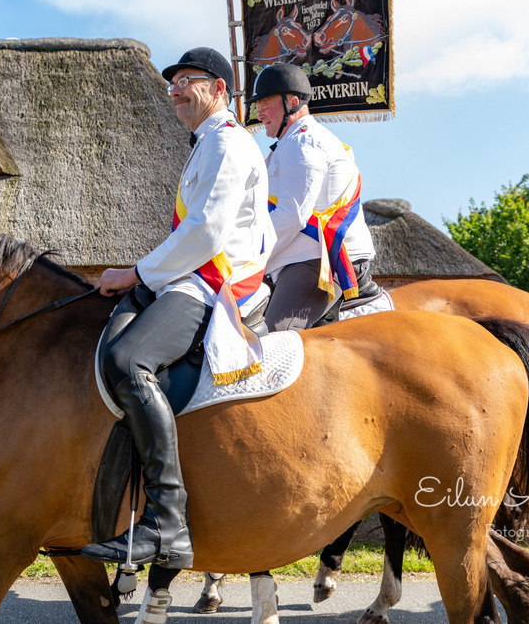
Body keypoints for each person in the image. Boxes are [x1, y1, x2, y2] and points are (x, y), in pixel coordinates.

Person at [80, 47, 274, 570]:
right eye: (173, 82)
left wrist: (135, 274)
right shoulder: (207, 143)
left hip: (214, 284)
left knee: (127, 361)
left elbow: (206, 233)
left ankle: (166, 521)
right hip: (189, 277)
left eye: (189, 79)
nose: (176, 89)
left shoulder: (227, 142)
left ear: (220, 89)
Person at [249, 62, 376, 332]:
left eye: (266, 105)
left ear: (293, 103)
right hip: (297, 255)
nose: (259, 114)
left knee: (268, 344)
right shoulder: (289, 142)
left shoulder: (303, 142)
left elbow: (292, 216)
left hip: (315, 260)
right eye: (258, 106)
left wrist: (250, 255)